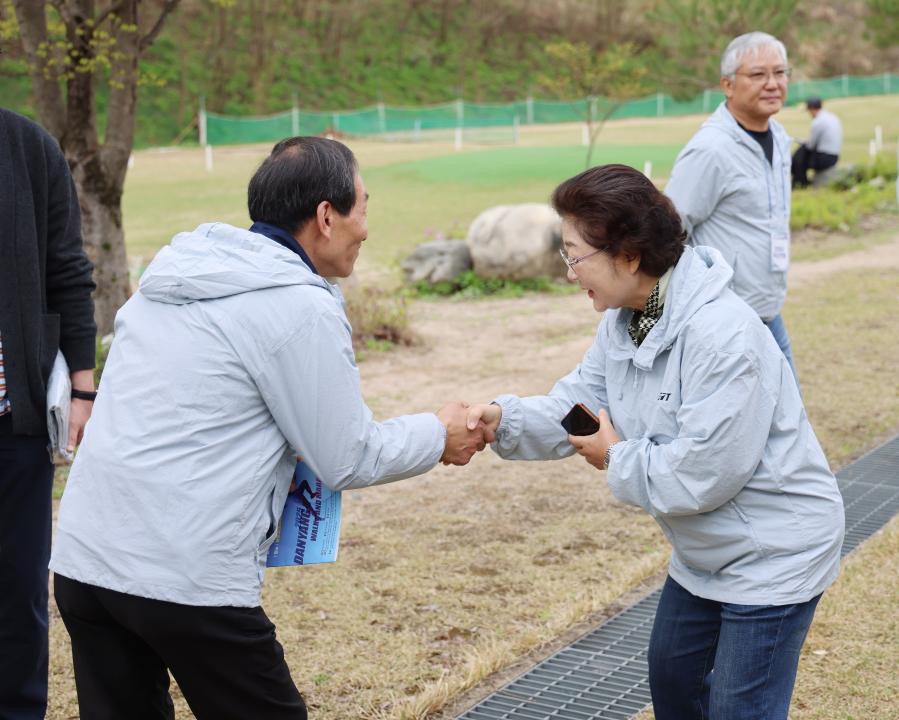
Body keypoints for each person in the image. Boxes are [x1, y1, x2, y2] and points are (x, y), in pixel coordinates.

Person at [49, 137, 488, 720]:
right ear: (326, 217)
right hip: (185, 576)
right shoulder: (296, 306)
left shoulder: (173, 277)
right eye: (362, 207)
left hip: (85, 561)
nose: (366, 228)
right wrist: (439, 434)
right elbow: (347, 456)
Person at [467, 164, 845, 720]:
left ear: (628, 254)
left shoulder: (723, 335)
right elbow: (578, 407)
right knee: (674, 684)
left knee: (740, 709)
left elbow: (705, 473)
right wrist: (502, 421)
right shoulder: (627, 319)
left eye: (575, 254)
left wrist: (616, 456)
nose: (569, 271)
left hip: (773, 550)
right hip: (706, 551)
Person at [0, 108, 97, 720]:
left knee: (18, 591)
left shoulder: (26, 146)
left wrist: (83, 392)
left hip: (13, 420)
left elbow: (67, 267)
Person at [665, 32, 799, 380]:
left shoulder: (780, 137)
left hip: (768, 312)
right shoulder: (710, 150)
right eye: (758, 75)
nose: (773, 84)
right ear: (727, 84)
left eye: (780, 73)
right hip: (725, 324)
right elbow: (669, 230)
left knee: (789, 426)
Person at [791, 97, 843, 188]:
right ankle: (801, 181)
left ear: (811, 109)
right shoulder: (832, 117)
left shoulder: (817, 122)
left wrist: (803, 142)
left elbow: (811, 146)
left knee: (799, 156)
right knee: (802, 151)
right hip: (834, 156)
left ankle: (800, 182)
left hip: (824, 158)